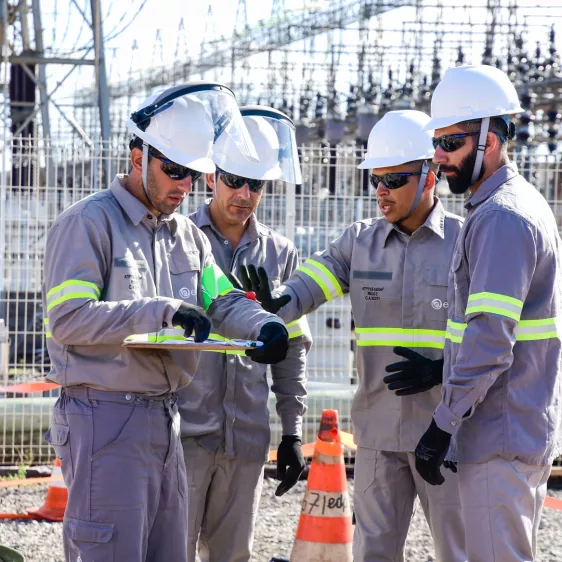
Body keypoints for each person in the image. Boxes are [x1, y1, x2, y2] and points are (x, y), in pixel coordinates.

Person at [42, 83, 289, 562]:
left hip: (164, 417)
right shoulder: (89, 224)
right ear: (138, 157)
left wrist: (263, 325)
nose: (184, 186)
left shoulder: (186, 237)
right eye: (173, 170)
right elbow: (68, 320)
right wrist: (161, 310)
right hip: (103, 418)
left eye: (193, 174)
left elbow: (223, 300)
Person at [235, 110, 467, 561]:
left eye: (394, 179)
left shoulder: (466, 240)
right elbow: (308, 284)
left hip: (447, 432)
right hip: (378, 434)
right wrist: (277, 301)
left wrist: (444, 368)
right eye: (375, 180)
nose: (381, 191)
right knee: (373, 553)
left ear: (430, 174)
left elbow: (493, 331)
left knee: (459, 552)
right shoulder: (358, 242)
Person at [413, 64, 562, 561]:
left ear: (489, 140)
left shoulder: (501, 218)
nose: (439, 157)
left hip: (499, 433)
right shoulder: (501, 208)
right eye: (437, 143)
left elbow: (490, 339)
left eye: (451, 143)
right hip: (508, 427)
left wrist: (443, 422)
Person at [177, 105, 310, 562]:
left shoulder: (280, 253)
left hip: (245, 437)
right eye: (235, 180)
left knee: (233, 556)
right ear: (212, 175)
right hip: (184, 435)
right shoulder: (178, 239)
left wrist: (291, 432)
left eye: (256, 184)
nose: (245, 194)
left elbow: (291, 347)